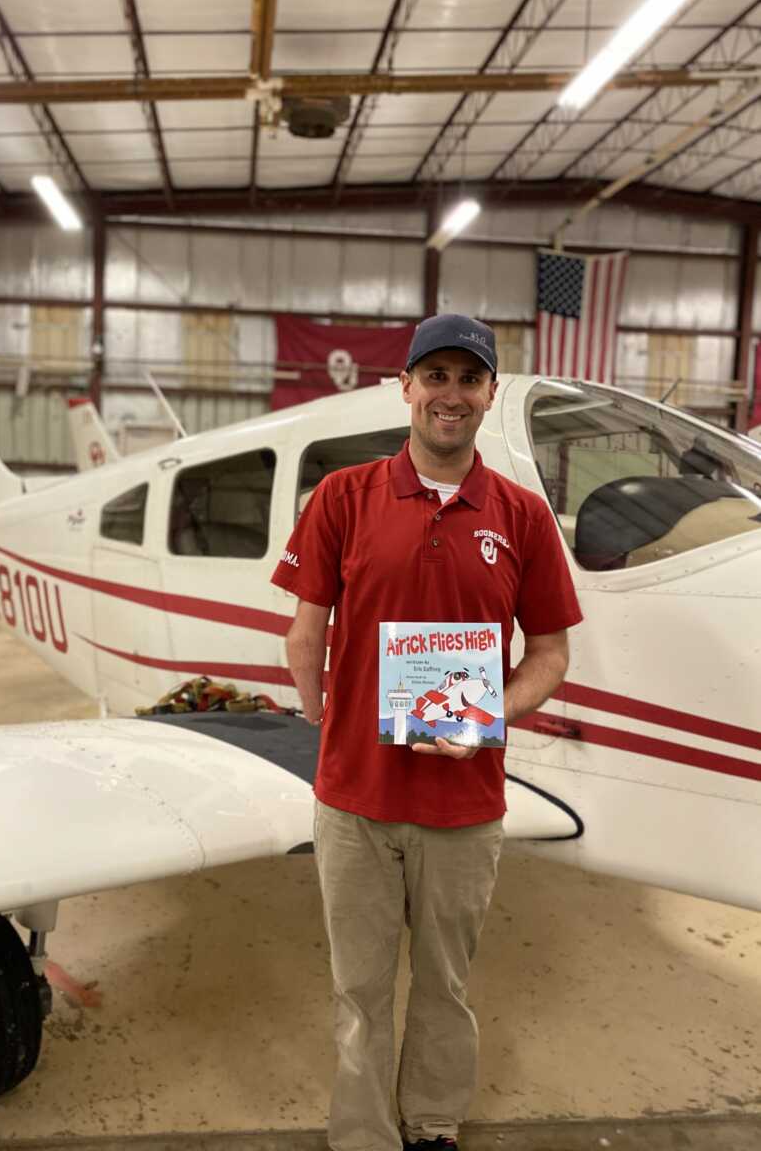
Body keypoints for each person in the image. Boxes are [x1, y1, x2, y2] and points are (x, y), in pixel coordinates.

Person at [270, 314, 583, 1151]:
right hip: (356, 807)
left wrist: (488, 716)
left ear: (488, 394)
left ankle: (434, 1123)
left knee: (446, 986)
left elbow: (550, 654)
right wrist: (325, 721)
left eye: (467, 379)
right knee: (360, 989)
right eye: (434, 376)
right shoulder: (343, 496)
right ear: (404, 388)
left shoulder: (520, 515)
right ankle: (365, 1134)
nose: (450, 394)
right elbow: (305, 632)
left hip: (467, 809)